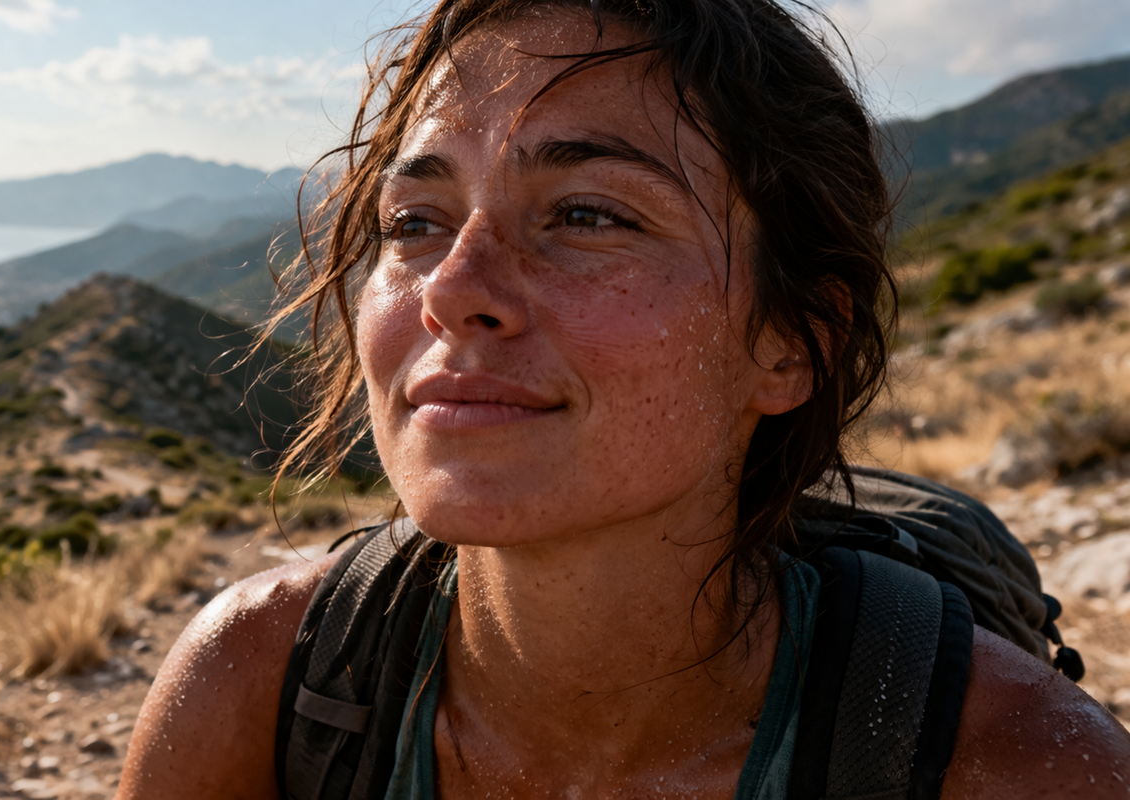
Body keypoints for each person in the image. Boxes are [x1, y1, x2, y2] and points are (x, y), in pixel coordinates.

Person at [120, 0, 1130, 796]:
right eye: (413, 218)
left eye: (586, 213)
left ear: (790, 341)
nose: (452, 290)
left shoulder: (1020, 767)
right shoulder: (254, 680)